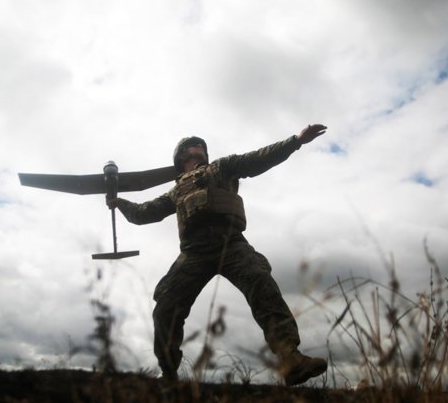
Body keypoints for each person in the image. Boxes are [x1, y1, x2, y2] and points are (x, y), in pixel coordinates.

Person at [108, 124, 328, 386]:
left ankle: (290, 359)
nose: (200, 148)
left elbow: (258, 159)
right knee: (166, 306)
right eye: (193, 145)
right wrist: (118, 202)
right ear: (181, 156)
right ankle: (168, 372)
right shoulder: (176, 190)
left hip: (231, 245)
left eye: (202, 146)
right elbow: (144, 213)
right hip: (193, 253)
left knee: (261, 282)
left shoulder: (221, 168)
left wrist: (295, 141)